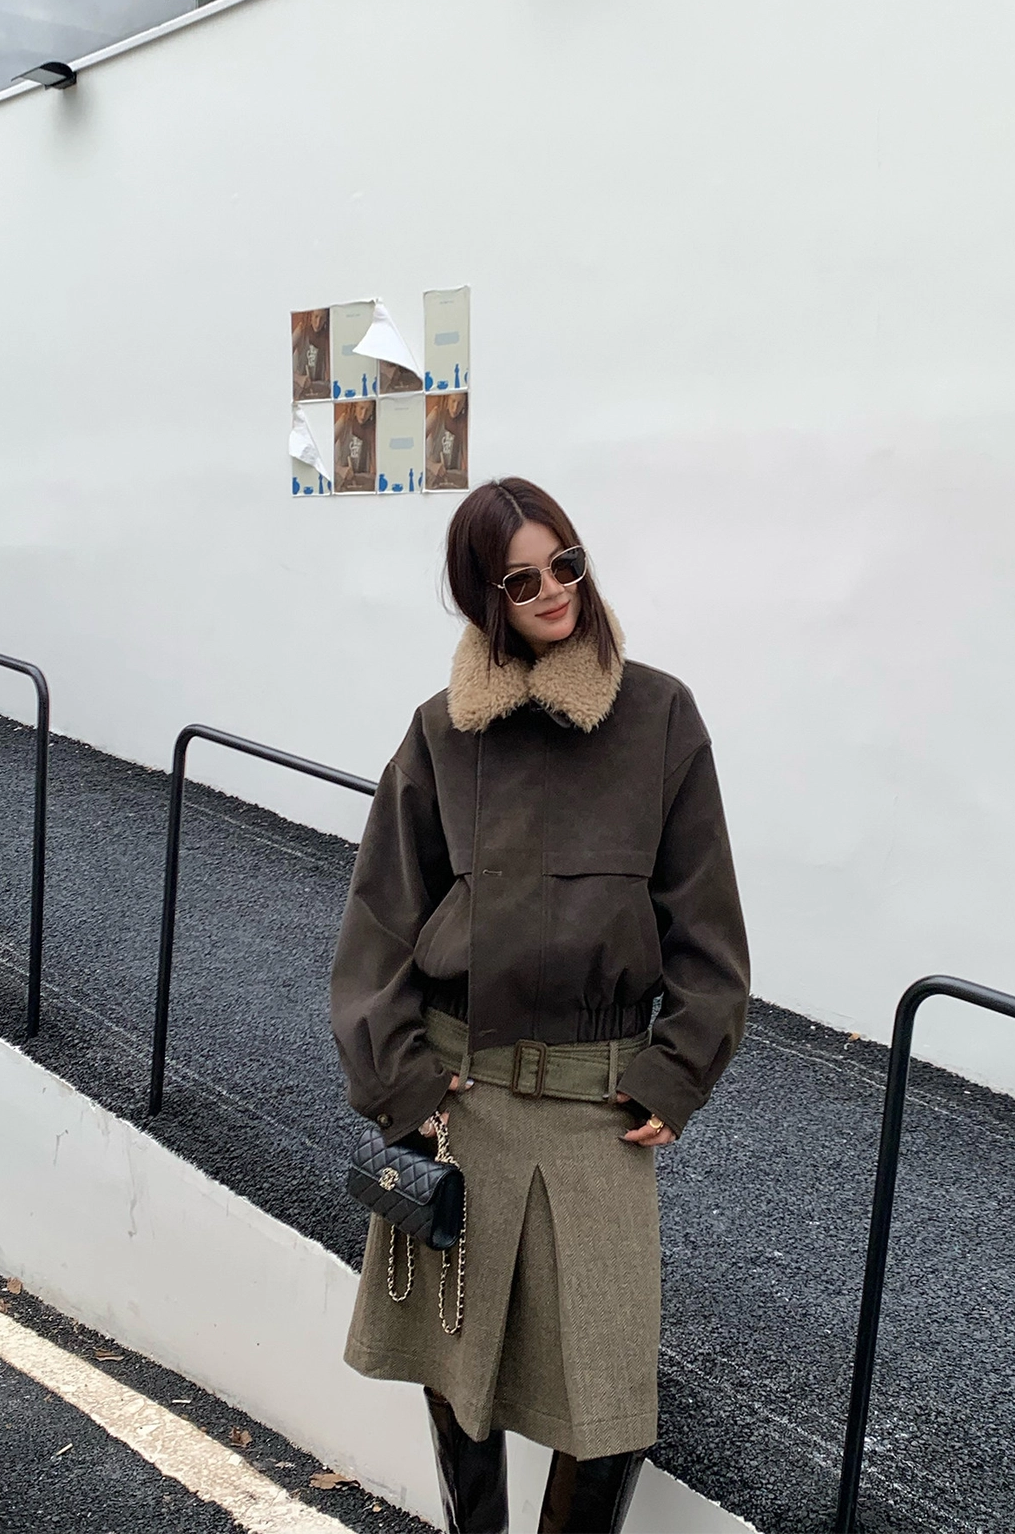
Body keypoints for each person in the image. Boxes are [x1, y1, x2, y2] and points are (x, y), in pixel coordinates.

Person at [330, 477, 751, 1534]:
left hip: (595, 1107)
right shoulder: (442, 733)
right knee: (456, 1366)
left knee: (607, 1405)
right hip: (460, 1100)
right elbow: (379, 920)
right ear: (486, 596)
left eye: (565, 562)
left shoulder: (659, 715)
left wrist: (677, 1067)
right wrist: (400, 1078)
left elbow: (707, 927)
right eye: (522, 579)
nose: (554, 588)